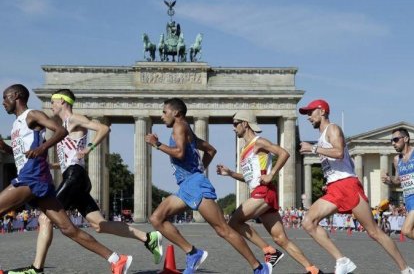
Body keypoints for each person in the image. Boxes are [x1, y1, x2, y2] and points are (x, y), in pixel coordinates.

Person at [8, 88, 163, 274]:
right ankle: (148, 238)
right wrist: (54, 165)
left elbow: (104, 128)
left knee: (45, 218)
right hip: (73, 175)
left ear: (63, 102)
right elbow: (71, 155)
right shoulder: (65, 122)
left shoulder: (74, 118)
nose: (51, 105)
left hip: (75, 176)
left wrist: (89, 148)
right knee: (99, 224)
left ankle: (36, 268)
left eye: (53, 101)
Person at [144, 98, 272, 274]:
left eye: (164, 112)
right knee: (156, 219)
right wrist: (200, 169)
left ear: (176, 113)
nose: (161, 116)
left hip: (195, 185)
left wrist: (157, 144)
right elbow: (211, 150)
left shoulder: (179, 127)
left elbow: (180, 153)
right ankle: (193, 253)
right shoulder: (187, 129)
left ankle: (259, 267)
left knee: (223, 229)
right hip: (187, 185)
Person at [299, 99, 413, 274]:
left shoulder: (333, 129)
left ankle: (405, 269)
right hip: (335, 187)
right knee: (308, 222)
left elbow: (338, 152)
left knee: (374, 232)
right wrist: (328, 181)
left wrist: (314, 149)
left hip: (347, 186)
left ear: (322, 111)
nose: (308, 117)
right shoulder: (321, 137)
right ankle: (342, 260)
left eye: (310, 112)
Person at [216, 110, 322, 274]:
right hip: (260, 191)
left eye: (236, 123)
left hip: (264, 191)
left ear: (245, 123)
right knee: (281, 239)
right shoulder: (245, 149)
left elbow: (284, 153)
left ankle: (268, 251)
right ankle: (313, 269)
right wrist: (230, 173)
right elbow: (249, 177)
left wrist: (272, 174)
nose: (233, 127)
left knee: (234, 221)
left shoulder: (259, 142)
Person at [382, 128, 414, 240]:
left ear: (405, 139)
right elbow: (398, 181)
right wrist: (390, 180)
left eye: (395, 140)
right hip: (408, 200)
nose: (393, 143)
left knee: (406, 230)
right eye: (392, 141)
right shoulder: (397, 160)